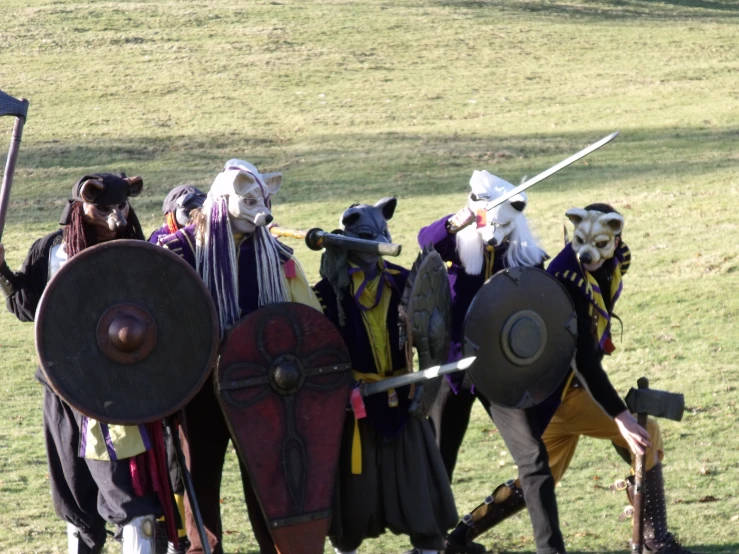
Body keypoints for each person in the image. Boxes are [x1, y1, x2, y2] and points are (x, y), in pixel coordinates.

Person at [459, 204, 695, 554]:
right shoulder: (567, 280)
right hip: (566, 392)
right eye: (582, 242)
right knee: (646, 437)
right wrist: (622, 417)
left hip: (552, 395)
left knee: (537, 480)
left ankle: (456, 539)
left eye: (601, 243)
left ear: (615, 237)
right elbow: (583, 360)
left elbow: (617, 266)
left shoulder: (615, 256)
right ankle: (653, 540)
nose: (590, 254)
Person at [157, 159, 321, 554]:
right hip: (199, 391)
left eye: (261, 200)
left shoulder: (276, 256)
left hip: (263, 389)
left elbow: (308, 322)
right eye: (248, 200)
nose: (258, 209)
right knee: (200, 481)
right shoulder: (175, 251)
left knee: (270, 483)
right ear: (222, 201)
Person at [0, 173, 170, 554]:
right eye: (104, 209)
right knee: (75, 493)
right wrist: (3, 274)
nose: (115, 218)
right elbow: (28, 309)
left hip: (117, 391)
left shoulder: (135, 251)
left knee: (128, 495)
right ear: (81, 207)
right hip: (61, 386)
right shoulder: (52, 250)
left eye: (121, 207)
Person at [418, 171, 566, 554]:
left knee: (533, 459)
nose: (494, 232)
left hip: (501, 373)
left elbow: (540, 314)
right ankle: (431, 548)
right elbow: (425, 242)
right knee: (438, 461)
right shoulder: (455, 243)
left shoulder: (524, 258)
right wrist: (459, 220)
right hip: (453, 368)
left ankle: (551, 549)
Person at [313, 198, 458, 554]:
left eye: (381, 233)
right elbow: (318, 356)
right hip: (355, 410)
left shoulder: (403, 282)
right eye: (367, 235)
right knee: (352, 502)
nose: (376, 242)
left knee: (418, 495)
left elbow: (432, 328)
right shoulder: (327, 294)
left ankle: (427, 547)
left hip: (402, 400)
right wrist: (345, 387)